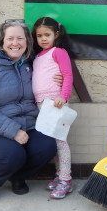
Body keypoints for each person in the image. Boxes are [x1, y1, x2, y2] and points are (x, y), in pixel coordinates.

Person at [0, 19, 57, 203]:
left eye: (20, 38)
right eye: (10, 38)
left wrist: (57, 79)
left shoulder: (30, 64)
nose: (15, 43)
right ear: (2, 41)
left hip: (28, 126)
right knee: (13, 153)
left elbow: (45, 83)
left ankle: (17, 176)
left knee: (48, 145)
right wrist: (13, 131)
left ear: (27, 41)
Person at [31, 17, 75, 199]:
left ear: (56, 34)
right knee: (52, 144)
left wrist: (63, 97)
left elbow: (67, 75)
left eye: (47, 35)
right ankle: (59, 175)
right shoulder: (37, 56)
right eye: (39, 35)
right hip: (42, 105)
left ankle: (66, 179)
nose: (43, 39)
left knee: (60, 142)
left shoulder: (59, 52)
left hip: (56, 104)